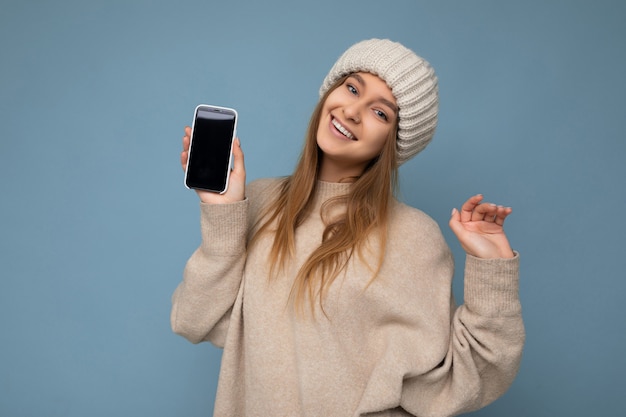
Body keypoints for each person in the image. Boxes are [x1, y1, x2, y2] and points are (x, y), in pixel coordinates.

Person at [171, 38, 524, 417]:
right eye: (352, 88)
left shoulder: (413, 236)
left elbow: (463, 378)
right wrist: (224, 216)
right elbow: (195, 321)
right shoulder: (259, 202)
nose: (353, 111)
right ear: (330, 92)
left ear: (394, 141)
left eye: (380, 113)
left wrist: (493, 271)